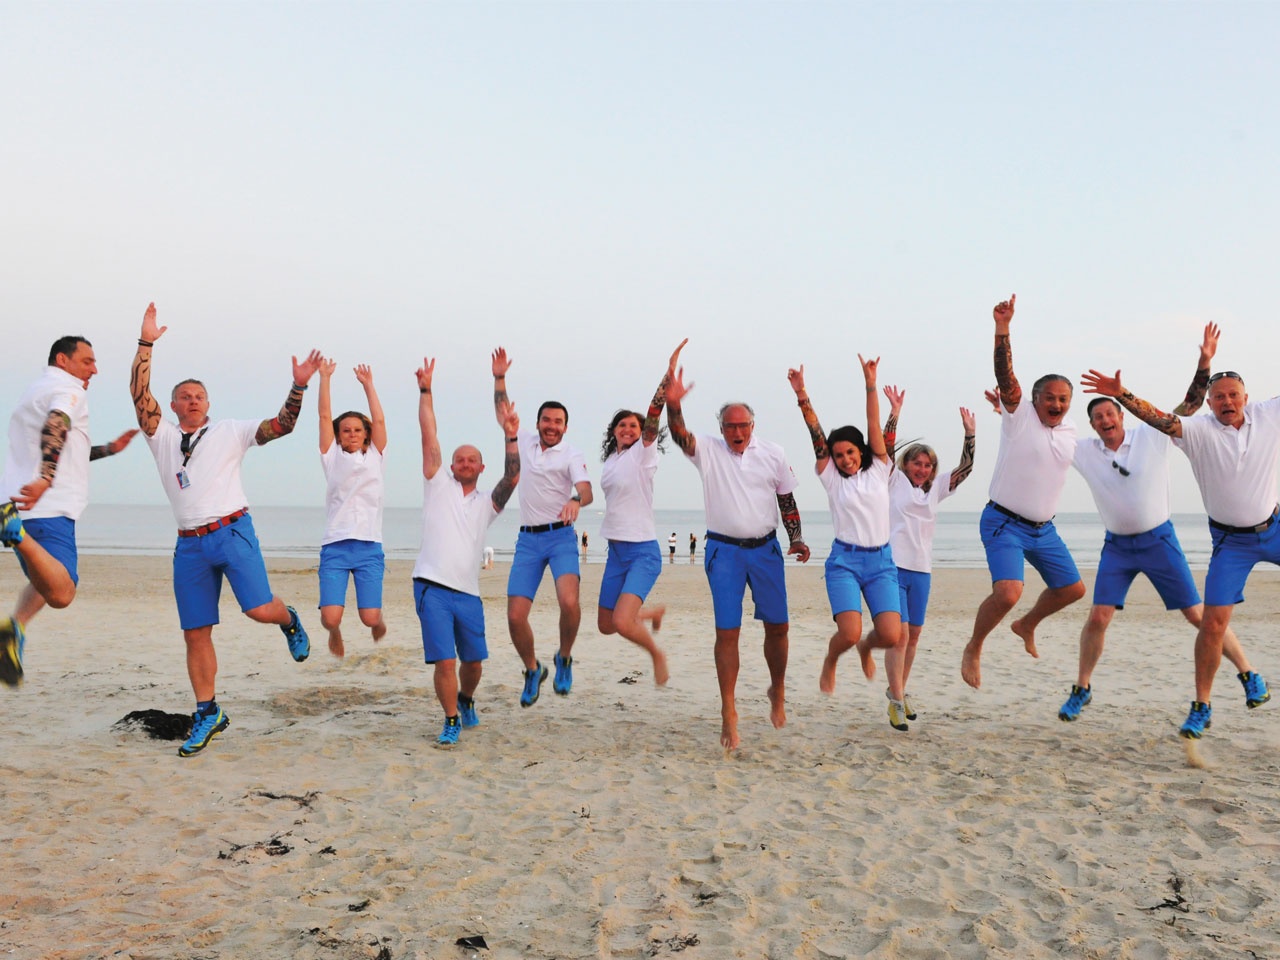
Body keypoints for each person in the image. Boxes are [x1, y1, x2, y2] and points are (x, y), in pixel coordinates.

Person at [130, 302, 321, 758]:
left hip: (232, 532)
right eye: (185, 396)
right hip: (189, 545)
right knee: (195, 632)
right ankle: (207, 711)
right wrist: (146, 344)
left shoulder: (231, 431)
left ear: (208, 403)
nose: (193, 400)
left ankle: (289, 618)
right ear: (173, 405)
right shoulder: (160, 437)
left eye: (200, 395)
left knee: (258, 610)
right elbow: (140, 397)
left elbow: (283, 425)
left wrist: (298, 385)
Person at [1062, 325, 1267, 723]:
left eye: (1110, 413)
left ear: (1122, 416)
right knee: (1098, 617)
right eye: (1098, 417)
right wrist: (1010, 410)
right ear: (1092, 425)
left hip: (1160, 541)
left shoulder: (1152, 435)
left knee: (1199, 616)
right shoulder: (1084, 451)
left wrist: (1204, 361)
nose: (1105, 419)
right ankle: (1082, 688)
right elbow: (1045, 438)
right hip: (1117, 548)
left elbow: (1191, 405)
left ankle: (1248, 673)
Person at [666, 361, 810, 751]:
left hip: (765, 550)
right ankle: (728, 711)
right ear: (721, 428)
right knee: (727, 633)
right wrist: (673, 405)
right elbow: (679, 435)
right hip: (724, 552)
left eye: (743, 425)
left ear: (752, 426)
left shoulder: (773, 453)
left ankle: (776, 689)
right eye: (730, 426)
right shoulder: (708, 451)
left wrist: (796, 538)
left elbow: (786, 498)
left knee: (778, 627)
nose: (737, 432)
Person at [962, 294, 1085, 689]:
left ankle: (1026, 625)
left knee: (1073, 589)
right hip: (1004, 522)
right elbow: (1006, 378)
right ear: (1034, 399)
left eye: (1063, 399)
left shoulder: (1069, 433)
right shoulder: (1019, 414)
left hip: (1044, 529)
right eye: (1049, 396)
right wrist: (1003, 328)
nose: (1056, 403)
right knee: (1009, 591)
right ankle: (975, 645)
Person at [1, 336, 138, 686]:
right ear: (63, 359)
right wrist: (47, 479)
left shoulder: (36, 389)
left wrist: (109, 449)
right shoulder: (69, 390)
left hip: (26, 501)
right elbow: (56, 426)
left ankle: (14, 628)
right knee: (62, 593)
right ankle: (13, 532)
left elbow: (63, 446)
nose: (94, 369)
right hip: (47, 506)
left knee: (43, 578)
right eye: (87, 360)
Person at [789, 357, 908, 729]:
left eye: (850, 453)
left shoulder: (879, 468)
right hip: (844, 562)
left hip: (881, 563)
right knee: (848, 632)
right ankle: (832, 659)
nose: (844, 459)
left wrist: (870, 383)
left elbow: (874, 426)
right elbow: (816, 435)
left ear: (862, 452)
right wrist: (802, 395)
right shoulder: (831, 478)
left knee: (890, 635)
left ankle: (865, 649)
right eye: (838, 455)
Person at [413, 357, 520, 747]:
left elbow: (512, 477)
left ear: (480, 466)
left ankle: (466, 699)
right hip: (431, 586)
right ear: (452, 466)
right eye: (459, 459)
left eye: (472, 459)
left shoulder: (487, 504)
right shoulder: (436, 484)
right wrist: (426, 391)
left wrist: (510, 435)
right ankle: (451, 719)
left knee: (473, 663)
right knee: (445, 661)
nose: (464, 463)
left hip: (468, 593)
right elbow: (430, 435)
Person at [491, 348, 593, 706]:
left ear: (565, 427)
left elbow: (586, 490)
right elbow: (504, 415)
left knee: (569, 602)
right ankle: (532, 669)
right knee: (515, 616)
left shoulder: (572, 454)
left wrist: (575, 502)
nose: (551, 426)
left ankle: (564, 657)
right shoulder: (525, 442)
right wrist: (499, 378)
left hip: (561, 537)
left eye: (558, 422)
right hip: (528, 540)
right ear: (538, 423)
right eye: (546, 421)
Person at [596, 339, 686, 686]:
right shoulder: (611, 462)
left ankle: (656, 655)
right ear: (614, 432)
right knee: (606, 624)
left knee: (621, 622)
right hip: (615, 551)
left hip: (642, 553)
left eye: (633, 426)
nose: (629, 429)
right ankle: (650, 613)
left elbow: (652, 417)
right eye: (622, 426)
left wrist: (666, 377)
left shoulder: (643, 455)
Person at [885, 392, 976, 724]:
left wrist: (970, 434)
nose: (922, 469)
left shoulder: (936, 487)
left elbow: (965, 469)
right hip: (892, 567)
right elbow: (884, 446)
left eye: (928, 465)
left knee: (915, 636)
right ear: (906, 464)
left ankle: (899, 690)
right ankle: (895, 699)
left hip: (921, 570)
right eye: (917, 463)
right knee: (901, 634)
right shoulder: (892, 480)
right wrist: (894, 413)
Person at [316, 359, 388, 658]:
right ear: (338, 435)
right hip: (335, 546)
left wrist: (368, 385)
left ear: (366, 434)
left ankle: (377, 622)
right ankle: (335, 633)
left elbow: (380, 423)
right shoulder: (330, 457)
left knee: (370, 617)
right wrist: (324, 378)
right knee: (330, 618)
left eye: (358, 430)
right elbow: (323, 416)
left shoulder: (375, 455)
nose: (352, 434)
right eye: (345, 430)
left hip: (369, 547)